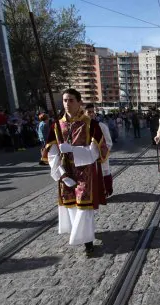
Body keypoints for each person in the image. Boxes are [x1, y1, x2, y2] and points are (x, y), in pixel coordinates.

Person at [41, 89, 108, 256]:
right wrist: (60, 174)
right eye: (64, 100)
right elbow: (52, 152)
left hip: (85, 170)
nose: (67, 104)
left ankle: (87, 242)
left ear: (79, 102)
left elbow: (95, 152)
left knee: (84, 206)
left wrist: (73, 149)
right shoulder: (57, 125)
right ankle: (82, 234)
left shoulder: (91, 124)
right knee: (71, 205)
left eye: (71, 100)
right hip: (66, 171)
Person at [84, 103, 114, 196]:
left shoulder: (102, 126)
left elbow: (109, 142)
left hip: (101, 156)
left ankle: (106, 191)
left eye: (93, 112)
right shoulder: (81, 127)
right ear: (85, 113)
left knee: (105, 172)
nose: (91, 114)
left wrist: (103, 153)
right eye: (89, 112)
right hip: (87, 157)